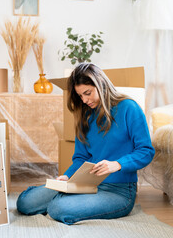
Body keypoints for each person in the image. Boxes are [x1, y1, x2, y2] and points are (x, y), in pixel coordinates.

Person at [16, 63, 155, 225]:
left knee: (58, 208)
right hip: (84, 184)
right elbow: (81, 157)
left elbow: (146, 151)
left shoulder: (129, 108)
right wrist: (67, 176)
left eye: (87, 93)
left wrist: (117, 164)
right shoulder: (86, 115)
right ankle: (67, 196)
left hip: (119, 191)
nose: (85, 100)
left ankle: (65, 200)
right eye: (80, 96)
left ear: (101, 84)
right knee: (25, 203)